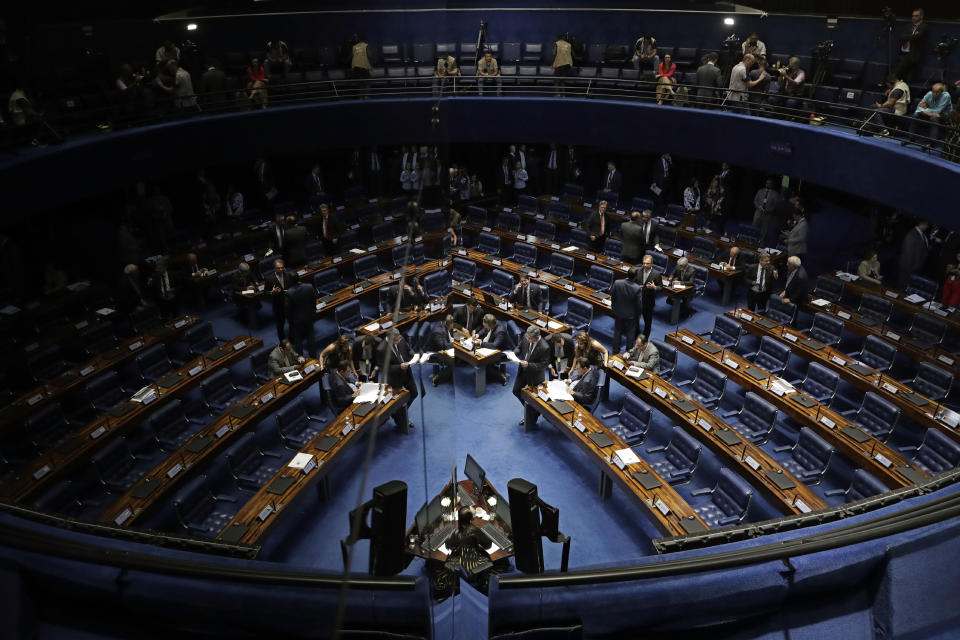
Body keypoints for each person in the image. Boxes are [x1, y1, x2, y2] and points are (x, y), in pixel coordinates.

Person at [514, 326, 551, 425]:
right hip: (522, 370)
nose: (528, 340)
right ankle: (533, 412)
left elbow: (543, 365)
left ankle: (531, 417)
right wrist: (514, 353)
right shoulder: (526, 337)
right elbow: (520, 347)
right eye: (527, 337)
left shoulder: (544, 347)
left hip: (535, 375)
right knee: (516, 391)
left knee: (534, 398)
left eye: (530, 339)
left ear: (537, 337)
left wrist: (528, 364)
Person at [379, 328, 418, 407]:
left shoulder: (400, 339)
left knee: (414, 393)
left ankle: (404, 411)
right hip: (395, 378)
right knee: (395, 400)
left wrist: (414, 356)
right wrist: (399, 367)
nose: (398, 342)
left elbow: (408, 349)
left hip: (407, 373)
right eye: (395, 341)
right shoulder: (382, 349)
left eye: (398, 339)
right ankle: (399, 415)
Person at [286, 278, 317, 358]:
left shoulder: (289, 292)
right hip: (309, 317)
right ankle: (313, 356)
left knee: (298, 340)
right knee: (311, 337)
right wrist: (313, 313)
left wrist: (290, 321)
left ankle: (300, 358)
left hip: (296, 320)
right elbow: (314, 301)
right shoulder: (309, 287)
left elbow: (288, 309)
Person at [611, 272, 642, 352]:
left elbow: (613, 296)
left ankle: (615, 350)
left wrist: (614, 308)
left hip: (618, 312)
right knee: (630, 334)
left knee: (617, 332)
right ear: (636, 277)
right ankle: (628, 352)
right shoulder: (637, 288)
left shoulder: (617, 282)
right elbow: (638, 305)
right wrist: (639, 314)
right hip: (631, 315)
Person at [895, 8, 928, 82]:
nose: (913, 17)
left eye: (916, 16)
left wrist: (909, 36)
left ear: (921, 16)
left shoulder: (924, 26)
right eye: (913, 16)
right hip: (903, 52)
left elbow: (918, 37)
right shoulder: (909, 25)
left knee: (899, 73)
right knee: (899, 73)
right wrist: (912, 36)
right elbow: (901, 37)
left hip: (912, 54)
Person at [263, 259, 293, 340]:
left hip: (289, 304)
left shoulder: (289, 275)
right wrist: (271, 292)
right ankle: (282, 343)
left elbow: (294, 287)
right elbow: (265, 292)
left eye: (282, 268)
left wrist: (290, 291)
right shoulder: (269, 278)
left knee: (292, 323)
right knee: (280, 326)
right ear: (274, 268)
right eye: (278, 268)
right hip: (278, 306)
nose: (280, 270)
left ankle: (292, 339)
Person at [634, 254, 663, 339]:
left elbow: (661, 287)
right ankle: (637, 337)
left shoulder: (656, 274)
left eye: (647, 263)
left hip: (648, 302)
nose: (645, 265)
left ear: (652, 264)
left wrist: (654, 287)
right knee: (635, 320)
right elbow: (632, 282)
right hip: (637, 301)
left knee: (647, 322)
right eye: (644, 263)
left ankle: (645, 339)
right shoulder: (638, 270)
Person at [899, 219, 931, 288]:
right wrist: (911, 267)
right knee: (904, 287)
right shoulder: (912, 234)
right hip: (909, 268)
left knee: (910, 287)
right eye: (927, 224)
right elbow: (908, 252)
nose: (928, 226)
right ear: (923, 224)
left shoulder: (923, 235)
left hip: (917, 268)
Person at [427, 315, 456, 387]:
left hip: (439, 347)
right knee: (454, 361)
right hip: (434, 352)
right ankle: (437, 379)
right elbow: (444, 346)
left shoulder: (444, 324)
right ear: (450, 324)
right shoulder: (439, 332)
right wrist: (456, 344)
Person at [753, 179, 780, 246]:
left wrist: (768, 210)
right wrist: (759, 207)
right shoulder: (760, 191)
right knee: (754, 227)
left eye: (770, 183)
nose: (768, 184)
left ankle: (761, 243)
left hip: (767, 215)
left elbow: (775, 205)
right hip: (758, 212)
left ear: (772, 185)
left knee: (764, 230)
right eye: (767, 183)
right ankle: (752, 240)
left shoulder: (775, 194)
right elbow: (755, 201)